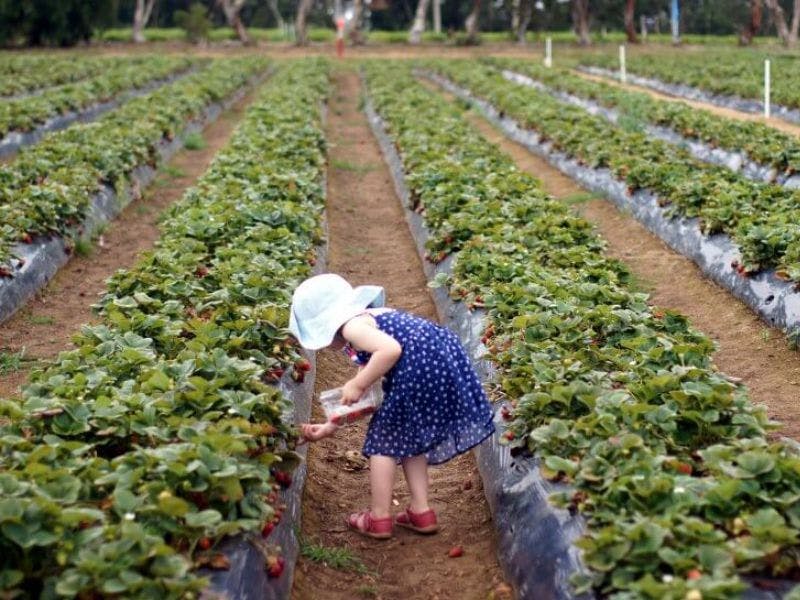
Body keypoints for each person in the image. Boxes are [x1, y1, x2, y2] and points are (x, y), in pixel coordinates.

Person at [289, 273, 495, 539]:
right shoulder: (372, 322)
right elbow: (372, 397)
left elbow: (390, 350)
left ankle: (379, 517)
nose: (326, 346)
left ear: (330, 322)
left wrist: (357, 384)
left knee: (383, 441)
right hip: (439, 366)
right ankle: (421, 511)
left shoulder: (354, 326)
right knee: (409, 437)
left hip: (418, 371)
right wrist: (331, 425)